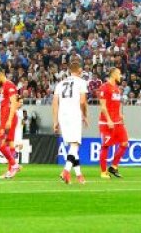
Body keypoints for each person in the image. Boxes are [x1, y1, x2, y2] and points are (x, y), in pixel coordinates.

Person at [52, 57, 89, 185]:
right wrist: (84, 115)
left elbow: (55, 103)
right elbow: (83, 101)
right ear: (79, 70)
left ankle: (79, 175)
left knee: (73, 147)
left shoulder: (60, 84)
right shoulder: (81, 82)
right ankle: (65, 171)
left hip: (63, 115)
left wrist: (55, 121)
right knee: (75, 145)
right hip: (74, 113)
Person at [97, 66, 129, 180]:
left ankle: (114, 167)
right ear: (113, 74)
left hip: (117, 121)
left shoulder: (117, 88)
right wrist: (109, 119)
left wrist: (120, 114)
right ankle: (103, 172)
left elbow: (118, 103)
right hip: (106, 122)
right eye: (119, 73)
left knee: (125, 143)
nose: (120, 76)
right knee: (105, 146)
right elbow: (103, 106)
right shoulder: (104, 87)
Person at [0, 67, 22, 179]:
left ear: (0, 75)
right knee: (9, 144)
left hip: (9, 119)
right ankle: (10, 171)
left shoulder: (9, 85)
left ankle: (14, 165)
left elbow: (14, 103)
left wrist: (9, 120)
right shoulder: (4, 86)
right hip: (6, 119)